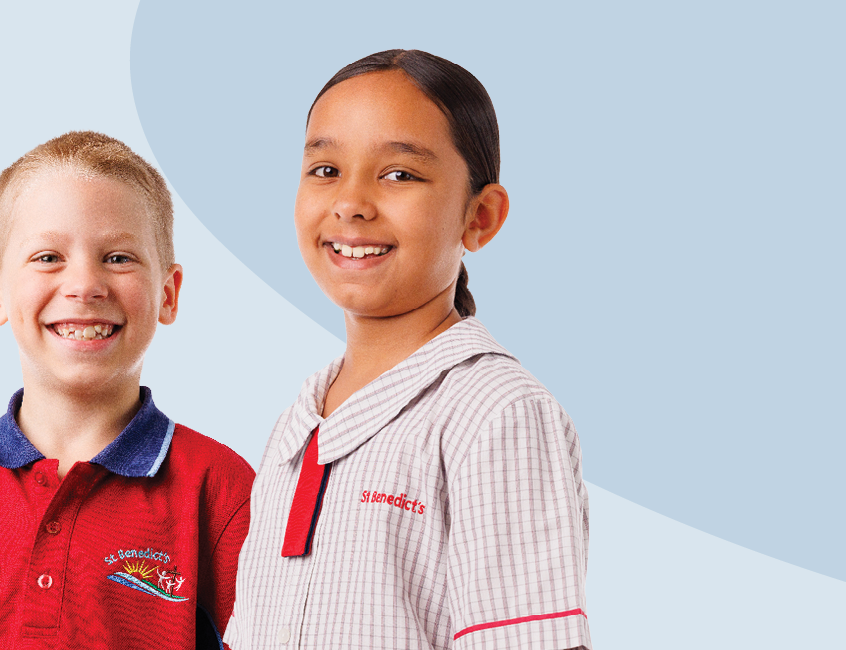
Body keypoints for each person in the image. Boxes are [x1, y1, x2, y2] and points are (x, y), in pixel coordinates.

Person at [0, 131, 254, 650]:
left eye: (118, 258)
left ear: (168, 294)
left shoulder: (223, 491)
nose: (85, 284)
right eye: (48, 257)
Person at [225, 50, 590, 650]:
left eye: (399, 175)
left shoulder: (496, 413)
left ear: (480, 216)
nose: (351, 203)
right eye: (324, 170)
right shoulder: (296, 424)